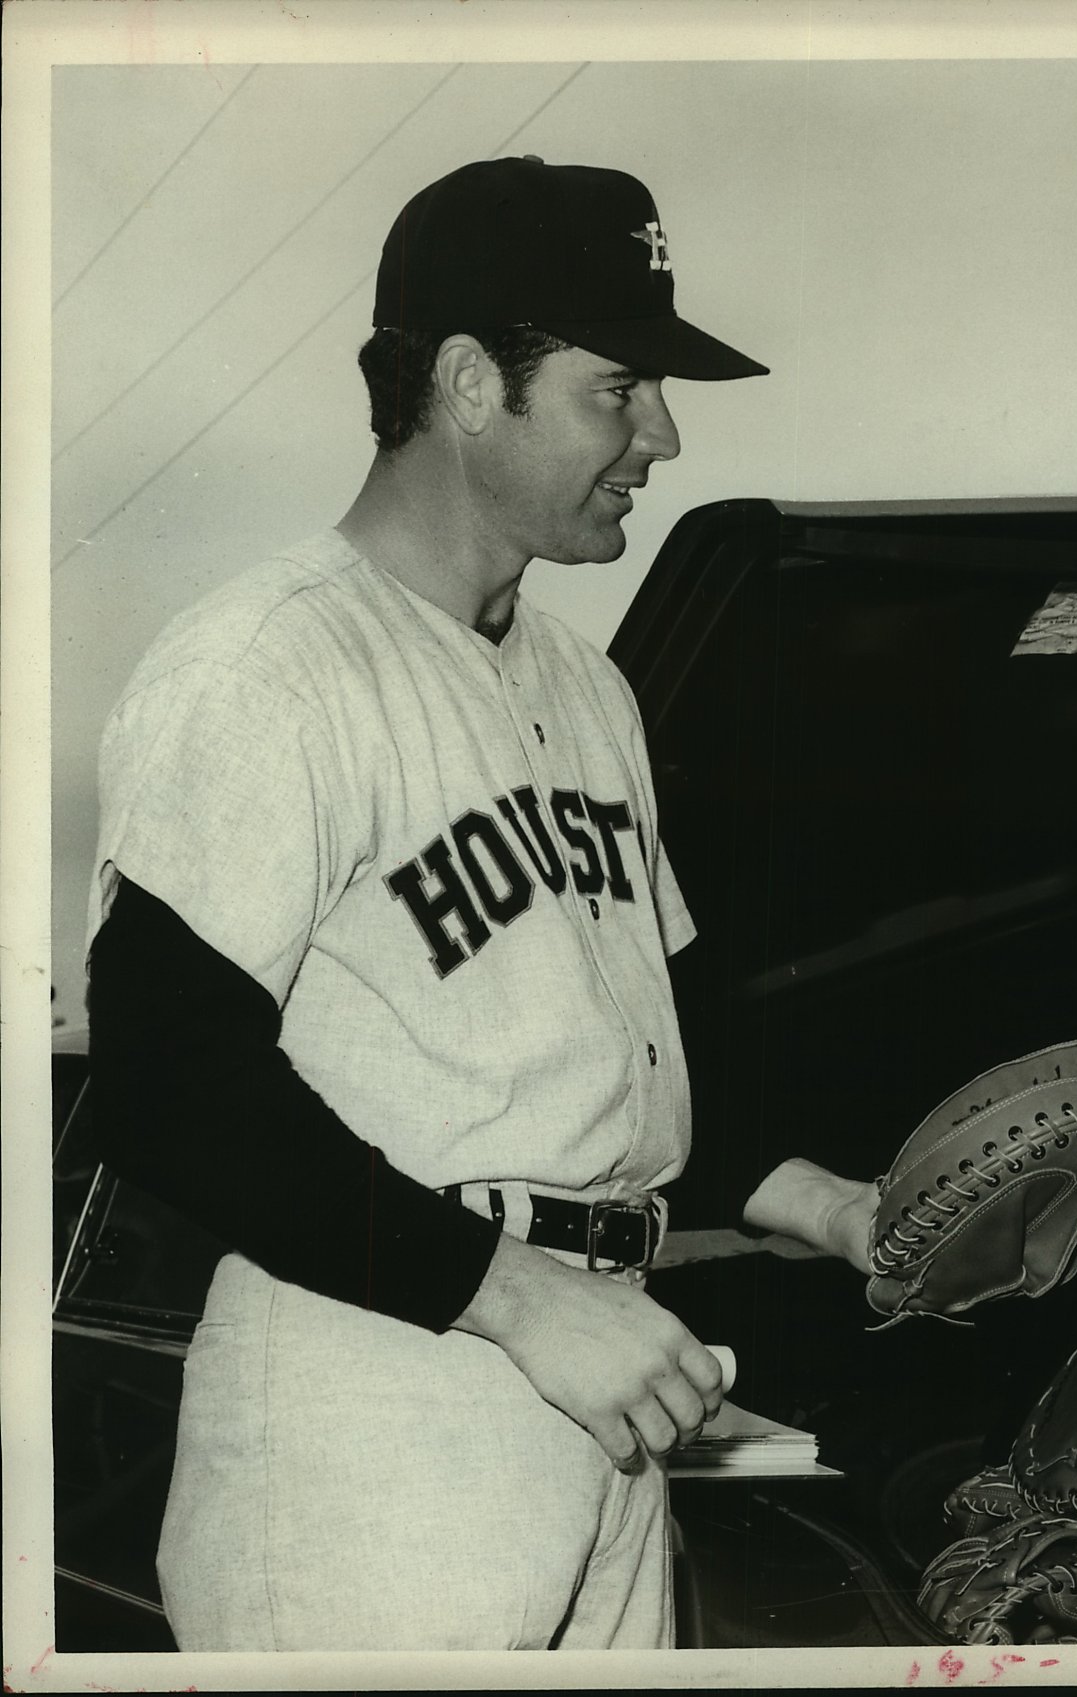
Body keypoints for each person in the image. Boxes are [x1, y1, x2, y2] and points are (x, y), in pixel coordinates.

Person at [85, 155, 875, 1652]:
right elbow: (166, 1079)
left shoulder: (587, 686)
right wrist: (514, 1299)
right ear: (464, 383)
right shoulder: (269, 663)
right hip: (379, 1390)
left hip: (605, 1377)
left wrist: (848, 1212)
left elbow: (651, 1047)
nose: (663, 432)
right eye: (617, 388)